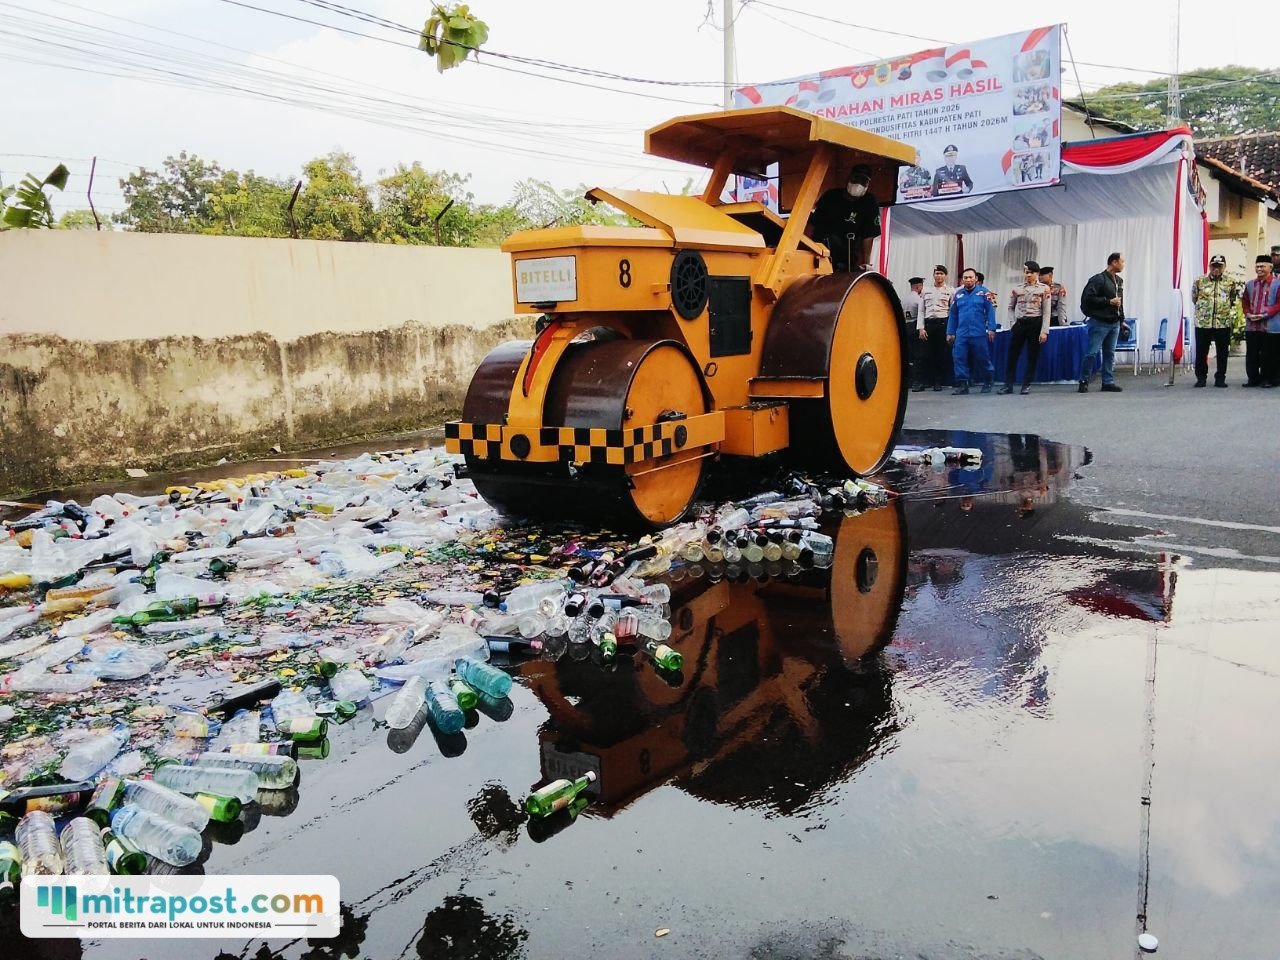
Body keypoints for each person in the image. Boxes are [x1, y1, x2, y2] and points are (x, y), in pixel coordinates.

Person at [809, 164, 880, 273]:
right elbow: (813, 224)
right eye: (856, 178)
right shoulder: (831, 195)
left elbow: (868, 235)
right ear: (849, 178)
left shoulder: (869, 202)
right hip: (819, 249)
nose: (858, 184)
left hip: (846, 257)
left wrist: (867, 264)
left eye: (863, 181)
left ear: (867, 185)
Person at [999, 260, 1051, 394]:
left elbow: (1046, 311)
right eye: (1026, 272)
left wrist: (1044, 331)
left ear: (1037, 273)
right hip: (1020, 323)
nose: (1028, 275)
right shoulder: (1017, 288)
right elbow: (1010, 307)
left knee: (1032, 355)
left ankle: (1026, 384)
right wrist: (1012, 324)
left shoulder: (1044, 289)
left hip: (1036, 323)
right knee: (1012, 355)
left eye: (1031, 272)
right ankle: (1008, 385)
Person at [1191, 254, 1241, 388]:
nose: (1216, 269)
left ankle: (1220, 378)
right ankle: (1201, 378)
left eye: (1219, 266)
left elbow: (1232, 300)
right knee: (1201, 351)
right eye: (1214, 266)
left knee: (1222, 352)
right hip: (1203, 322)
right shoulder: (1199, 281)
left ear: (1224, 267)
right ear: (1209, 266)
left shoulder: (1230, 282)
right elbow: (1194, 298)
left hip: (1222, 322)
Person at [1078, 252, 1125, 393]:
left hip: (1114, 323)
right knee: (1091, 353)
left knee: (1109, 353)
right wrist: (1108, 301)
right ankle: (1084, 380)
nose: (1123, 264)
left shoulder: (1119, 281)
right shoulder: (1098, 279)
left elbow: (1120, 303)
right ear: (1114, 262)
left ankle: (1107, 382)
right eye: (1122, 261)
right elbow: (1087, 298)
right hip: (1099, 323)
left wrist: (1122, 319)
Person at [946, 267, 997, 394]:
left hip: (978, 332)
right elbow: (953, 315)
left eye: (970, 277)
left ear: (976, 279)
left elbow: (991, 311)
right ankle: (963, 384)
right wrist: (950, 332)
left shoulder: (985, 293)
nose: (968, 280)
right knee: (959, 357)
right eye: (965, 278)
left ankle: (988, 381)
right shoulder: (958, 294)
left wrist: (991, 328)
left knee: (982, 357)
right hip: (962, 334)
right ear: (962, 280)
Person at [1240, 254, 1280, 387]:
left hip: (1271, 326)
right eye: (1257, 266)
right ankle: (1253, 379)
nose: (1259, 269)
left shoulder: (1277, 283)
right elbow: (1245, 301)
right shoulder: (1250, 284)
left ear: (1270, 267)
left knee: (1269, 355)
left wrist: (1265, 315)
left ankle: (1268, 379)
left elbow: (1279, 304)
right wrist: (1247, 313)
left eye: (1262, 266)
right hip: (1252, 325)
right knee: (1252, 354)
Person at [915, 265, 954, 391]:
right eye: (937, 273)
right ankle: (920, 382)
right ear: (933, 275)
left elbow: (952, 312)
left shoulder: (950, 291)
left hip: (943, 324)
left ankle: (937, 382)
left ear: (946, 275)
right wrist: (921, 328)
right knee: (923, 354)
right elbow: (921, 311)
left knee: (940, 354)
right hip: (928, 324)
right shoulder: (926, 291)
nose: (939, 276)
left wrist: (951, 330)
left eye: (941, 273)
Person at [902, 276, 925, 388]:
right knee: (918, 355)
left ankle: (909, 380)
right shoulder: (919, 299)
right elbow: (922, 313)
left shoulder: (904, 299)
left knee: (909, 355)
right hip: (916, 325)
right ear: (917, 286)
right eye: (921, 285)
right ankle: (917, 381)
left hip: (906, 326)